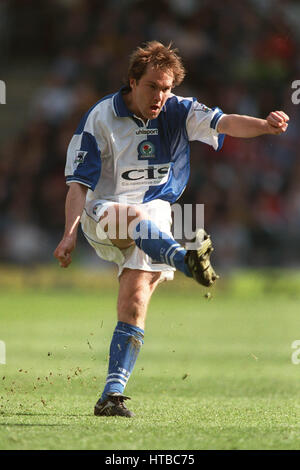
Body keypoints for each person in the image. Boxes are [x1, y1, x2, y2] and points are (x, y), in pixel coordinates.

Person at [54, 41, 289, 418]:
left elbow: (224, 122)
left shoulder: (179, 109)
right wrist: (69, 234)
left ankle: (111, 395)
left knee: (134, 299)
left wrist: (264, 125)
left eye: (167, 88)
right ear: (132, 82)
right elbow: (78, 185)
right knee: (134, 220)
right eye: (153, 87)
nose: (161, 95)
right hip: (106, 212)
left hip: (156, 214)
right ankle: (185, 260)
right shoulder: (100, 118)